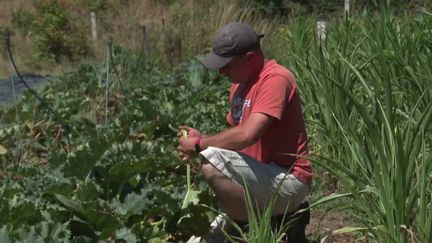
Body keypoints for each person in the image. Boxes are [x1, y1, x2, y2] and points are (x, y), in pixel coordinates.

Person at [177, 22, 313, 242]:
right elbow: (236, 137)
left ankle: (259, 223)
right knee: (198, 241)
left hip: (287, 179)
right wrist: (201, 138)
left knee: (211, 160)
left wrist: (200, 144)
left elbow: (248, 134)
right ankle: (253, 221)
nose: (221, 71)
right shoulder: (238, 85)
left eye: (226, 65)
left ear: (249, 58)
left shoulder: (276, 78)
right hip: (257, 181)